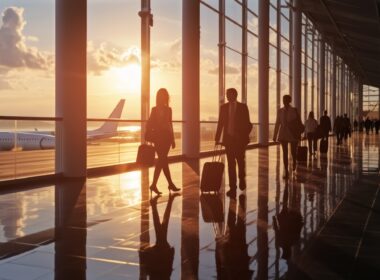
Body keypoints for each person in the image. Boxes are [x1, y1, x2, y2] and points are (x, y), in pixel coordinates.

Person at [215, 88, 252, 197]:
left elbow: (247, 123)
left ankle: (241, 178)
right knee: (231, 164)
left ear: (234, 95)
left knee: (240, 162)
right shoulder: (224, 107)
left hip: (239, 140)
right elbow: (220, 123)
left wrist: (240, 134)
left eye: (228, 94)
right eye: (226, 94)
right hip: (229, 140)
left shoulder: (243, 107)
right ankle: (232, 188)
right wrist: (217, 138)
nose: (226, 96)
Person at [146, 88, 180, 195]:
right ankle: (168, 183)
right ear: (158, 97)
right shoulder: (154, 109)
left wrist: (173, 139)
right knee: (163, 160)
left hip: (167, 138)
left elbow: (170, 125)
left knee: (162, 161)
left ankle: (155, 185)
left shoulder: (168, 110)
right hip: (158, 138)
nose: (162, 97)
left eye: (164, 95)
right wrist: (155, 129)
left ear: (166, 97)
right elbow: (149, 123)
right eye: (160, 95)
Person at [139, 193, 179, 279]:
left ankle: (167, 201)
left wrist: (170, 254)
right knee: (162, 227)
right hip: (159, 258)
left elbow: (167, 269)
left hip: (161, 256)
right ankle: (157, 203)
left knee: (163, 227)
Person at [273, 95, 301, 179]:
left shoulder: (294, 110)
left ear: (289, 101)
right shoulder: (280, 111)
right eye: (283, 99)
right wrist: (275, 135)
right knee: (285, 152)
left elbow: (298, 122)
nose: (284, 101)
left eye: (285, 100)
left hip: (292, 133)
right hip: (283, 133)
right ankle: (286, 169)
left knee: (293, 151)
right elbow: (277, 123)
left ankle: (294, 162)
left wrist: (299, 134)